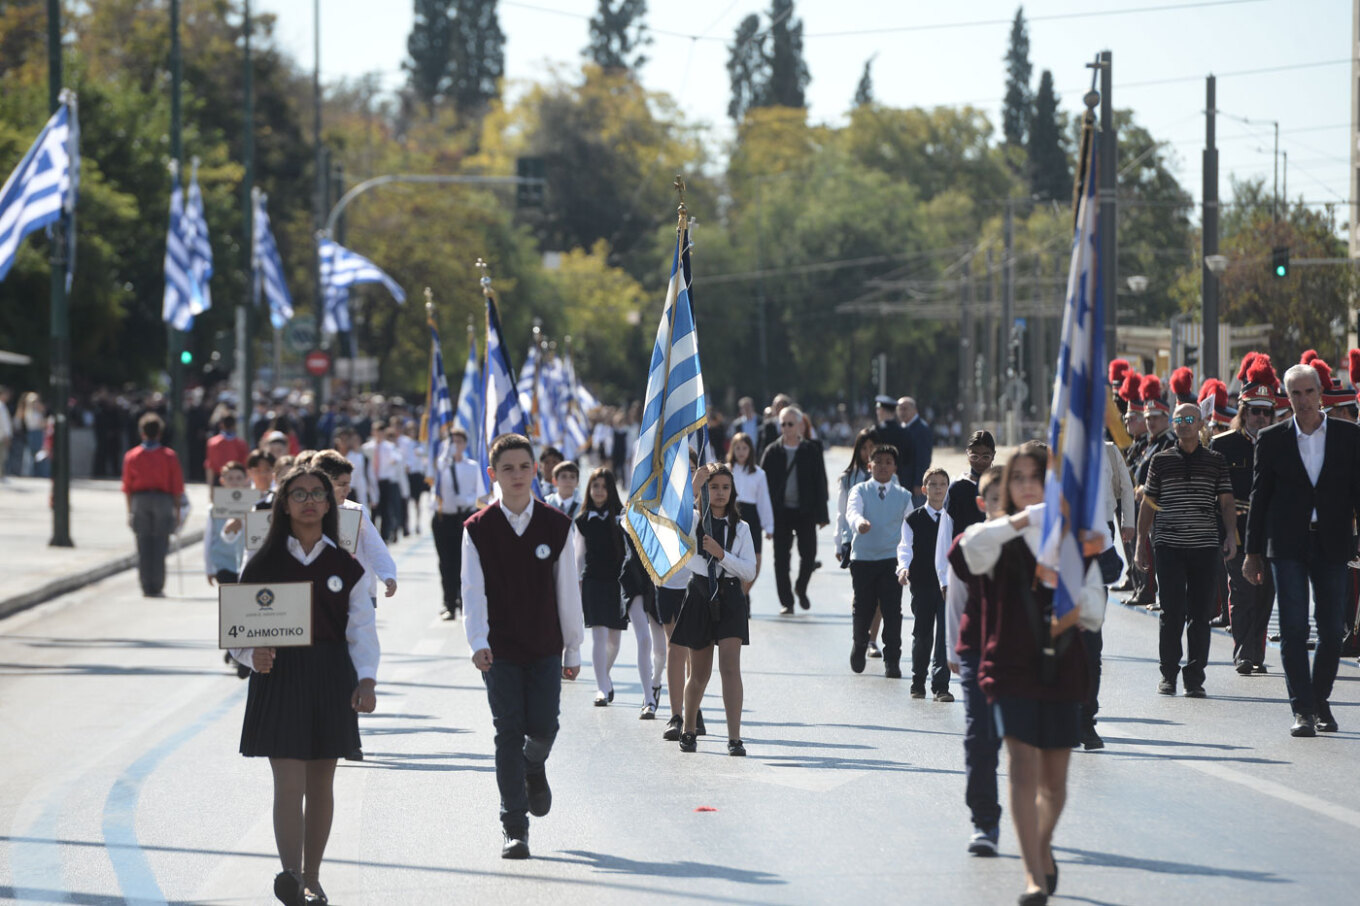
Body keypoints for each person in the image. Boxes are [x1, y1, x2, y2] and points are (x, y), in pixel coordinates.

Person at [957, 443, 1101, 906]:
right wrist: (1020, 521)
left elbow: (1095, 610)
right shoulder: (996, 532)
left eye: (1034, 477)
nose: (1025, 486)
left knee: (1054, 783)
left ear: (1050, 481)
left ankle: (1040, 844)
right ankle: (1033, 876)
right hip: (1009, 665)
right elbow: (964, 554)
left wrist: (1064, 569)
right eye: (1016, 478)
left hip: (1061, 665)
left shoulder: (1068, 538)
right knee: (1021, 767)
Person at [228, 466, 377, 906]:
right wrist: (249, 656)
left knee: (321, 783)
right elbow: (239, 628)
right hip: (280, 679)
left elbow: (362, 630)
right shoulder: (264, 562)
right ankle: (291, 877)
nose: (309, 500)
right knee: (288, 785)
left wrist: (366, 678)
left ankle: (313, 877)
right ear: (284, 504)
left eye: (318, 493)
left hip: (332, 678)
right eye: (299, 494)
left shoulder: (345, 565)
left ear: (330, 505)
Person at [462, 434, 584, 859]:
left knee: (545, 726)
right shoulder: (477, 529)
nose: (517, 475)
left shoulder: (556, 525)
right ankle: (515, 826)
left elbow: (567, 590)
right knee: (507, 732)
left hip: (546, 646)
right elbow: (472, 591)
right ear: (493, 475)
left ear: (537, 472)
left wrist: (574, 648)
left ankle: (536, 764)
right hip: (501, 650)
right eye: (507, 469)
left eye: (524, 467)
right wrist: (477, 641)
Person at [1244, 362, 1360, 737]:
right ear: (1287, 397)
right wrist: (1252, 552)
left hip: (1332, 542)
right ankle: (1303, 711)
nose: (1303, 400)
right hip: (1287, 545)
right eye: (1295, 393)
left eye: (1309, 392)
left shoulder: (1348, 436)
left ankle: (1319, 699)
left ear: (1320, 394)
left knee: (1332, 629)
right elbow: (1259, 499)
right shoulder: (1273, 438)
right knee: (1294, 629)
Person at [1135, 403, 1236, 698]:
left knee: (1200, 615)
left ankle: (1195, 678)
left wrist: (1230, 535)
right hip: (1168, 547)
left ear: (1201, 423)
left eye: (1190, 419)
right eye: (1178, 419)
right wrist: (1142, 544)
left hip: (1205, 547)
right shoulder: (1161, 461)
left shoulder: (1216, 461)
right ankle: (1168, 674)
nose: (1183, 424)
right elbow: (1148, 504)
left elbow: (1227, 502)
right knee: (1171, 613)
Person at [670, 463, 757, 755]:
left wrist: (722, 555)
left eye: (725, 487)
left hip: (730, 596)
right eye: (714, 486)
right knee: (699, 673)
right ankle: (688, 727)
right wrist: (695, 482)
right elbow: (673, 517)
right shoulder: (695, 520)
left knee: (730, 668)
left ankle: (734, 738)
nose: (719, 493)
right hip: (699, 593)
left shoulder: (741, 528)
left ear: (732, 492)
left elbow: (749, 570)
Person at [944, 465, 1006, 856]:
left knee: (1023, 743)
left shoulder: (1036, 542)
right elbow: (957, 598)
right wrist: (953, 650)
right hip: (976, 651)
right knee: (979, 737)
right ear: (983, 504)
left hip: (1021, 655)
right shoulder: (972, 542)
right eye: (997, 498)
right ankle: (984, 819)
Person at [1210, 357, 1278, 676]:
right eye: (1255, 411)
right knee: (1242, 591)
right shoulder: (1223, 445)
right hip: (1235, 528)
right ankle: (1243, 652)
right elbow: (1213, 495)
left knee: (1266, 595)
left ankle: (1257, 651)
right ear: (1243, 411)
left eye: (1267, 411)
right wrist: (1221, 533)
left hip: (1271, 532)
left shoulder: (1283, 443)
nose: (1261, 417)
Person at [845, 444, 913, 678]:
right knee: (863, 607)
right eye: (879, 462)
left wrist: (908, 561)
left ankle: (892, 660)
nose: (883, 466)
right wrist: (859, 523)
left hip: (891, 560)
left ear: (894, 467)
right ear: (869, 465)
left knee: (892, 611)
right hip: (863, 558)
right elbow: (852, 512)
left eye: (888, 462)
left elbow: (909, 528)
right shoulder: (860, 490)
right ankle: (860, 643)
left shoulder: (903, 496)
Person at [759, 405, 829, 614]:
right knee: (781, 559)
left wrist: (822, 515)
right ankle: (787, 601)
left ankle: (801, 587)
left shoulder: (811, 450)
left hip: (805, 511)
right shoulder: (772, 451)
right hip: (780, 512)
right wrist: (764, 517)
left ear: (799, 425)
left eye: (790, 424)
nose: (786, 428)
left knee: (809, 555)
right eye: (783, 424)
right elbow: (762, 486)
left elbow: (820, 483)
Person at [575, 467, 629, 707]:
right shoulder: (583, 520)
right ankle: (601, 688)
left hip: (618, 582)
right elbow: (579, 554)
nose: (599, 491)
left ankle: (604, 675)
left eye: (604, 486)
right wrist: (576, 584)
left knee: (614, 641)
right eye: (595, 486)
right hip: (592, 581)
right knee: (598, 636)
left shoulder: (622, 517)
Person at [899, 467, 953, 701]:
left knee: (944, 635)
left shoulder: (952, 520)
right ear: (924, 489)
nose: (938, 488)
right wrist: (903, 568)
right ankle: (917, 680)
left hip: (947, 587)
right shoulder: (914, 519)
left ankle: (941, 685)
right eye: (933, 484)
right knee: (922, 634)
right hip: (921, 584)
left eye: (942, 483)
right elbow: (904, 547)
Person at [121, 413, 185, 598]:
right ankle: (157, 584)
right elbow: (177, 487)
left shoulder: (132, 456)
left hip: (140, 500)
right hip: (163, 500)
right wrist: (177, 511)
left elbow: (127, 486)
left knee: (143, 544)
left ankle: (145, 585)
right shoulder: (169, 456)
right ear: (160, 433)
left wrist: (129, 511)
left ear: (142, 433)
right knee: (160, 544)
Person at [935, 430, 997, 598]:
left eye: (986, 456)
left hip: (996, 568)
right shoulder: (957, 489)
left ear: (993, 455)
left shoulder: (1000, 486)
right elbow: (945, 534)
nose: (980, 462)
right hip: (963, 568)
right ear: (967, 454)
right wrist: (944, 578)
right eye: (974, 456)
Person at [431, 426, 484, 620]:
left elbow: (479, 493)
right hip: (444, 517)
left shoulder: (472, 466)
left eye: (459, 442)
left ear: (465, 444)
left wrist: (468, 500)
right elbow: (435, 482)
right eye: (452, 442)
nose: (455, 446)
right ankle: (449, 603)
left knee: (463, 562)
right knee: (446, 563)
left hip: (463, 517)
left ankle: (464, 602)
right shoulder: (441, 465)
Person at [621, 527, 667, 719]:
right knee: (644, 639)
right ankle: (648, 699)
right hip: (632, 580)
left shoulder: (665, 517)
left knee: (662, 651)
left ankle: (655, 682)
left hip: (659, 581)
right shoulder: (624, 518)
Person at [726, 431, 774, 597]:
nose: (741, 452)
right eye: (737, 448)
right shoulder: (727, 470)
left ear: (750, 450)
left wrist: (769, 526)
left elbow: (763, 501)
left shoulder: (759, 474)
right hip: (732, 515)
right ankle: (735, 597)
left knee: (755, 561)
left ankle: (743, 594)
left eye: (744, 448)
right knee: (733, 558)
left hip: (752, 517)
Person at [898, 396, 933, 506]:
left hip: (914, 487)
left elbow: (923, 459)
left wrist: (919, 482)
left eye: (905, 409)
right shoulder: (903, 427)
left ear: (914, 410)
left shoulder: (921, 429)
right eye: (899, 409)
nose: (902, 412)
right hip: (902, 483)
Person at [873, 396, 913, 488]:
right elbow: (909, 458)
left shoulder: (877, 431)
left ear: (882, 411)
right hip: (901, 479)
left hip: (880, 479)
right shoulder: (905, 432)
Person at [205, 414, 249, 490]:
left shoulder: (212, 443)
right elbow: (245, 465)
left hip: (219, 480)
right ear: (235, 425)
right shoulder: (241, 444)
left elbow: (210, 467)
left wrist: (210, 488)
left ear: (221, 425)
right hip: (238, 481)